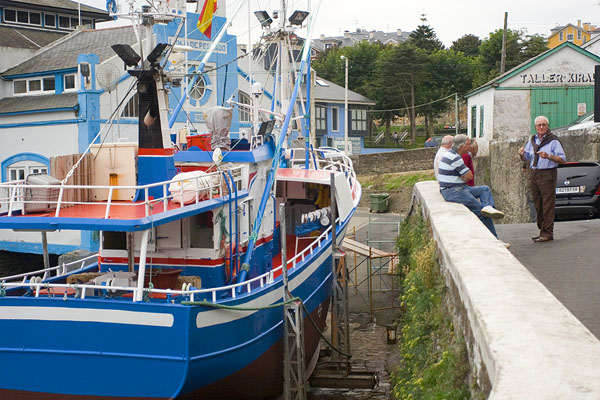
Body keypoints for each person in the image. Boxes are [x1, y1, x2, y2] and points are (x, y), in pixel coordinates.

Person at [438, 134, 508, 246]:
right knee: (482, 214)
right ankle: (495, 241)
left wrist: (463, 175)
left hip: (459, 187)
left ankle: (488, 207)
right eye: (467, 144)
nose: (469, 146)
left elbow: (467, 176)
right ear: (461, 146)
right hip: (454, 191)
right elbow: (469, 176)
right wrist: (464, 175)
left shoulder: (451, 154)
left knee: (484, 189)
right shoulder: (455, 158)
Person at [518, 115, 566, 243]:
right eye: (539, 125)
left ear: (547, 126)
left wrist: (548, 156)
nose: (541, 127)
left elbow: (562, 159)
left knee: (548, 204)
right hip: (534, 173)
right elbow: (527, 158)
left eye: (544, 124)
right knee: (537, 203)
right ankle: (542, 230)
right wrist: (522, 154)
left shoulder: (553, 141)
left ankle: (547, 233)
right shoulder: (532, 140)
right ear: (535, 127)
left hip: (547, 174)